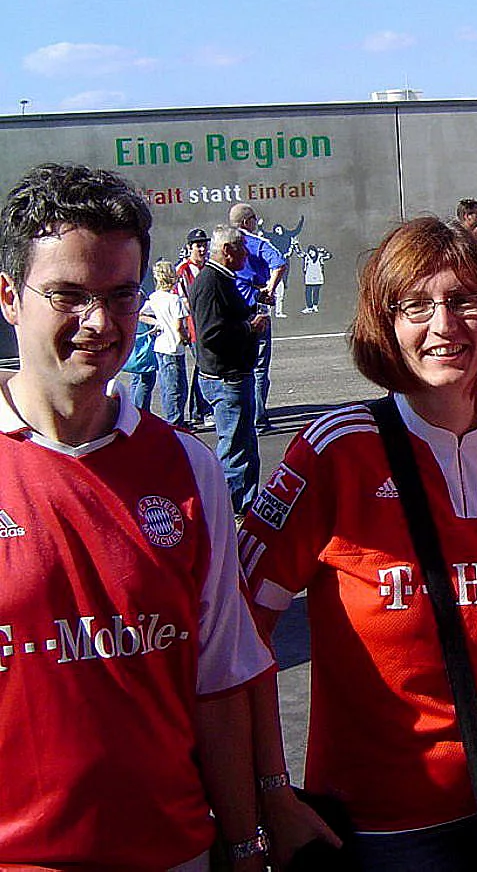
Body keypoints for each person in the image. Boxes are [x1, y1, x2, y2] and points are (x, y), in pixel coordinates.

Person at [238, 216, 477, 868]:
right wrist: (267, 793)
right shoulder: (335, 452)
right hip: (390, 827)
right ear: (384, 322)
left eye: (465, 300)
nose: (445, 325)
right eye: (416, 304)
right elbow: (235, 638)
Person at [0, 162, 274, 869]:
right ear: (8, 297)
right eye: (67, 295)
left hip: (175, 851)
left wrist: (244, 844)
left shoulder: (189, 468)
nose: (98, 323)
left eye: (121, 296)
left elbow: (218, 680)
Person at [190, 223, 268, 517]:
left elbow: (224, 320)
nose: (247, 254)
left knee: (245, 445)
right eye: (242, 248)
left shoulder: (220, 280)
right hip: (226, 378)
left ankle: (245, 507)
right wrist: (250, 327)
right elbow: (211, 334)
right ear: (227, 251)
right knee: (235, 451)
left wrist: (252, 310)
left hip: (231, 375)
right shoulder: (211, 283)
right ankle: (229, 514)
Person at [229, 203, 286, 433]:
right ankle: (258, 419)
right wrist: (270, 289)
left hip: (233, 311)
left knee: (239, 365)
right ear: (246, 222)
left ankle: (242, 415)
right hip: (255, 307)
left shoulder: (224, 244)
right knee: (260, 366)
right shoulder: (256, 243)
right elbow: (279, 263)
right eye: (253, 218)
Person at [145, 259, 189, 425]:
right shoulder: (174, 300)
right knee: (177, 388)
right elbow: (179, 326)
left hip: (160, 346)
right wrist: (184, 339)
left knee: (167, 386)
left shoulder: (154, 297)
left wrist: (157, 323)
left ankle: (173, 419)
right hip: (173, 347)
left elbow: (141, 313)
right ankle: (175, 421)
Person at [176, 227, 212, 427]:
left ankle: (199, 410)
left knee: (203, 367)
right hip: (194, 326)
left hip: (209, 324)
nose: (202, 249)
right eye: (198, 245)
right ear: (190, 248)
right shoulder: (183, 270)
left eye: (204, 245)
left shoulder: (209, 267)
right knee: (203, 366)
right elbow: (182, 301)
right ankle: (203, 410)